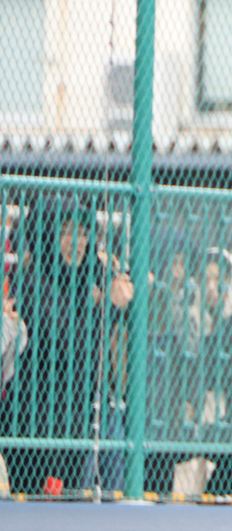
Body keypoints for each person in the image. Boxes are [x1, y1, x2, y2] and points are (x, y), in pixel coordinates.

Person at [5, 196, 131, 496]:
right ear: (49, 234)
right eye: (66, 232)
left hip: (75, 424)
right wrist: (108, 307)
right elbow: (67, 340)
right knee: (33, 507)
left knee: (73, 512)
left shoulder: (88, 275)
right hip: (32, 424)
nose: (77, 242)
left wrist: (119, 288)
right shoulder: (33, 282)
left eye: (84, 233)